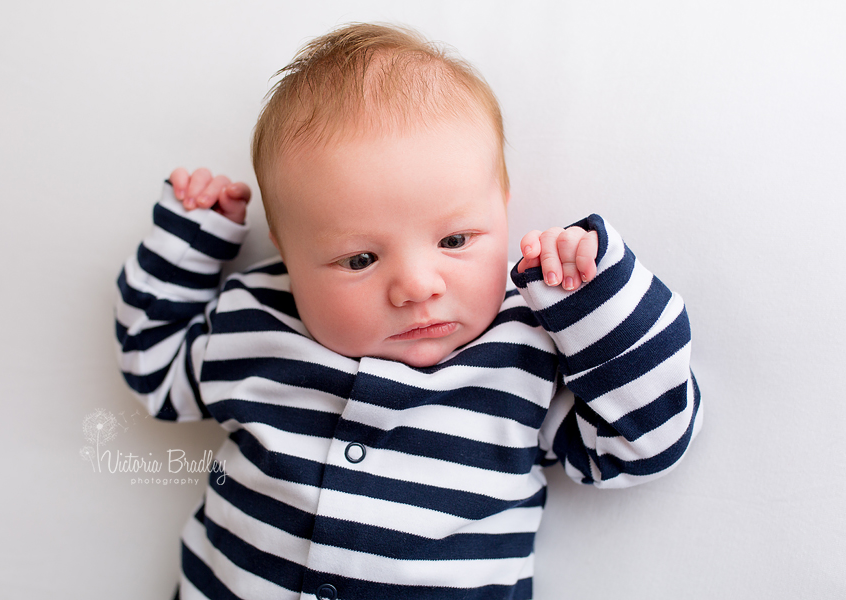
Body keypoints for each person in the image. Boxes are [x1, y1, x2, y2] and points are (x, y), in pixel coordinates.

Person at [115, 22, 702, 600]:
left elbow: (645, 443)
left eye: (455, 241)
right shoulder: (255, 318)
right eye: (360, 258)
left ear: (502, 209)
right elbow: (154, 368)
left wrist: (599, 307)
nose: (418, 287)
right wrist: (190, 243)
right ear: (288, 252)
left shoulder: (525, 355)